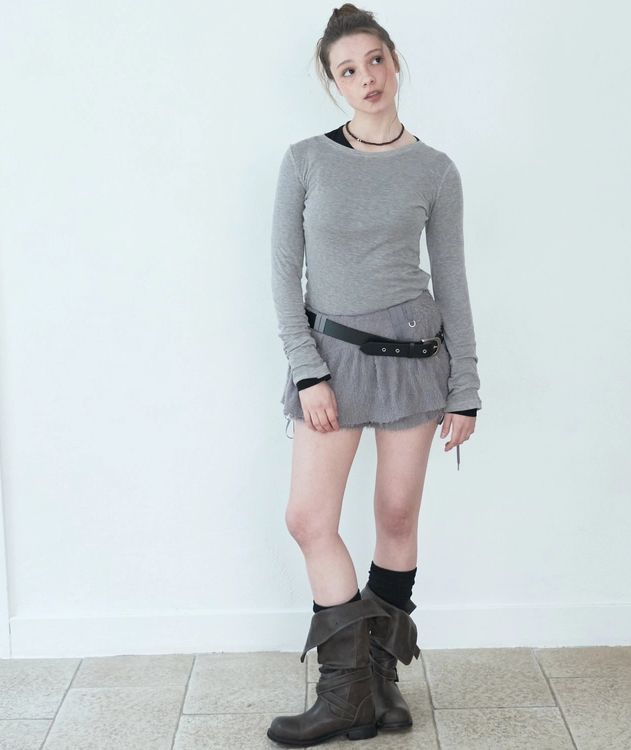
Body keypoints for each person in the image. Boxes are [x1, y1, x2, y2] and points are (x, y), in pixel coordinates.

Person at [267, 4, 482, 746]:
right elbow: (282, 278)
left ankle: (381, 683)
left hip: (416, 360)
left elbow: (452, 282)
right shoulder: (306, 159)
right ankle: (346, 693)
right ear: (335, 84)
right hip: (332, 360)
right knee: (309, 520)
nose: (367, 78)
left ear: (394, 62)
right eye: (348, 69)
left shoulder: (435, 169)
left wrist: (466, 388)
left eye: (375, 60)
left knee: (395, 516)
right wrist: (307, 373)